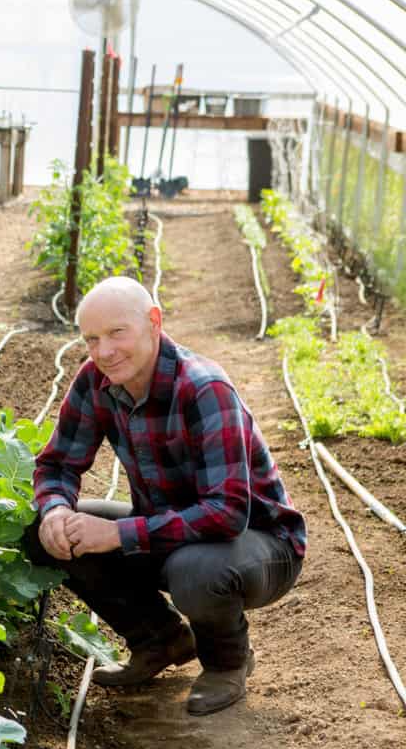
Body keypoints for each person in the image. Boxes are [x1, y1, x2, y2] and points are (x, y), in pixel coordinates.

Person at [24, 276, 306, 715]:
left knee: (193, 568)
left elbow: (227, 512)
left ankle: (227, 663)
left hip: (259, 545)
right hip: (169, 531)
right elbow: (57, 464)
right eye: (92, 339)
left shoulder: (204, 389)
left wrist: (117, 535)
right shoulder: (94, 381)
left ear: (154, 322)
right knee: (48, 530)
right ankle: (160, 639)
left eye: (118, 333)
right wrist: (55, 510)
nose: (104, 351)